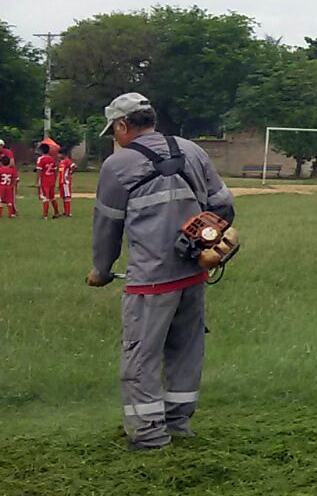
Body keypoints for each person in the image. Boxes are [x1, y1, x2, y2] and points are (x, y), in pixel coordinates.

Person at [85, 93, 235, 451]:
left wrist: (101, 271)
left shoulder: (117, 165)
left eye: (114, 130)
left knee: (141, 355)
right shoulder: (191, 150)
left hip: (150, 282)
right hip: (194, 275)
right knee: (185, 350)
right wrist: (204, 245)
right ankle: (178, 423)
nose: (115, 137)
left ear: (123, 125)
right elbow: (224, 206)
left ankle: (149, 434)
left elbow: (107, 227)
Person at [35, 142, 58, 218]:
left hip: (44, 180)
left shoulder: (41, 159)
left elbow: (39, 170)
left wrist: (37, 181)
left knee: (45, 197)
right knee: (52, 197)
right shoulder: (52, 159)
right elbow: (55, 170)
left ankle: (45, 215)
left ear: (41, 150)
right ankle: (56, 212)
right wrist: (55, 179)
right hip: (52, 179)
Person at [56, 151, 77, 217]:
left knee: (67, 196)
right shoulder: (61, 162)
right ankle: (65, 211)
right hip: (61, 181)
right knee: (64, 196)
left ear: (63, 154)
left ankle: (68, 212)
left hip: (66, 182)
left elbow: (74, 166)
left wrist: (70, 173)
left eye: (59, 154)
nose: (58, 155)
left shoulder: (67, 161)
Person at [0, 154, 18, 218]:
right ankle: (10, 214)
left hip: (1, 187)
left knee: (0, 200)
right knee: (9, 201)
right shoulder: (11, 170)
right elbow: (14, 179)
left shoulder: (0, 170)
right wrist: (13, 185)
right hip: (9, 187)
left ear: (1, 162)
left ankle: (0, 214)